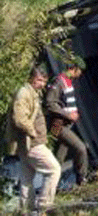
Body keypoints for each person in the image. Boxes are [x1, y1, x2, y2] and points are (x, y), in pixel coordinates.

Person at [5, 65, 61, 215]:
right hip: (32, 143)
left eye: (43, 81)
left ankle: (26, 210)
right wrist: (33, 132)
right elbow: (19, 118)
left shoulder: (32, 92)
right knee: (54, 169)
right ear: (31, 78)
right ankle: (44, 205)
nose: (42, 84)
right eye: (39, 80)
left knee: (26, 179)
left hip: (27, 144)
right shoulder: (24, 93)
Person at [45, 57, 88, 186]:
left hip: (66, 124)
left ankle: (52, 183)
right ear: (75, 69)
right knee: (81, 148)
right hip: (58, 123)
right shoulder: (59, 81)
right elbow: (49, 103)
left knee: (59, 155)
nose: (80, 74)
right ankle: (82, 179)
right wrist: (68, 114)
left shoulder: (68, 81)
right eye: (80, 71)